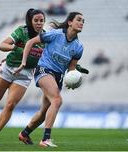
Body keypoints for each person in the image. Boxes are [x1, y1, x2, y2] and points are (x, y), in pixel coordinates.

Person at [0, 8, 46, 145]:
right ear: (30, 21)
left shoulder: (45, 38)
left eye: (41, 21)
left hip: (25, 74)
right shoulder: (21, 32)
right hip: (9, 68)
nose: (39, 23)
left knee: (10, 105)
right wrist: (16, 48)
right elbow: (2, 45)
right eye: (36, 20)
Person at [15, 11, 86, 147]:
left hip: (58, 77)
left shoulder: (79, 47)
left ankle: (24, 134)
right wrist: (23, 62)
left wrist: (75, 76)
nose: (81, 23)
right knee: (57, 100)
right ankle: (45, 139)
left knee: (44, 112)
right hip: (44, 70)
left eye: (83, 21)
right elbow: (31, 42)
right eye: (79, 20)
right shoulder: (56, 34)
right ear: (70, 22)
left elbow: (71, 68)